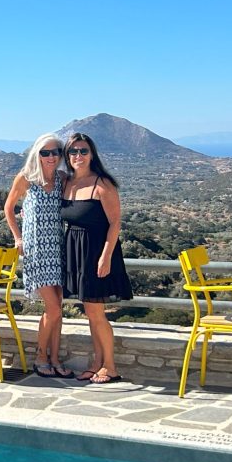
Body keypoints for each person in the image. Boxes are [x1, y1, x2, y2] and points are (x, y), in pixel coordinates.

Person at [60, 132, 132, 384]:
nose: (78, 156)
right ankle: (96, 362)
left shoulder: (102, 184)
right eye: (73, 151)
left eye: (83, 151)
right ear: (66, 156)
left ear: (92, 154)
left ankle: (110, 366)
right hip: (75, 251)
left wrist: (105, 257)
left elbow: (115, 224)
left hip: (96, 252)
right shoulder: (66, 183)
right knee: (90, 311)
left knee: (97, 313)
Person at [4, 133, 70, 378]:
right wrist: (17, 237)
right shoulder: (26, 179)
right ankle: (40, 357)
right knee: (53, 309)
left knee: (58, 308)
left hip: (58, 249)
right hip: (36, 250)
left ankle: (54, 358)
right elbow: (9, 208)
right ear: (37, 154)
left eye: (56, 152)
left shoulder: (63, 179)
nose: (51, 157)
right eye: (45, 152)